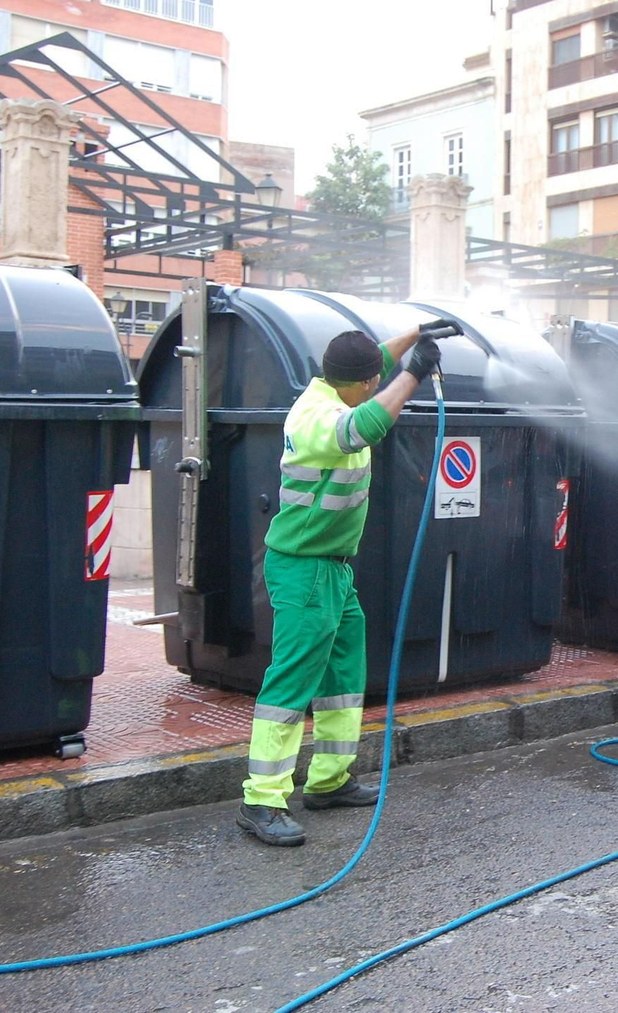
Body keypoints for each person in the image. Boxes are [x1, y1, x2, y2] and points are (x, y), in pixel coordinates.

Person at [237, 322, 446, 847]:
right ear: (359, 384)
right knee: (291, 683)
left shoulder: (333, 386)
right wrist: (414, 374)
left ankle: (328, 781)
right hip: (303, 568)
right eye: (374, 380)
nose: (377, 384)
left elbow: (367, 361)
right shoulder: (318, 419)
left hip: (331, 566)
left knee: (343, 675)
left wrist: (416, 332)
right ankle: (261, 799)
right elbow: (366, 427)